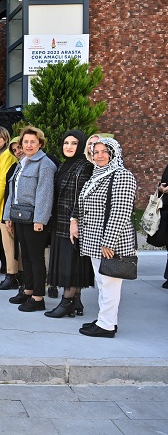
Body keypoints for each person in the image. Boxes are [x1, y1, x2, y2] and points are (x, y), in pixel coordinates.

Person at [72, 138, 136, 337]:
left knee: (109, 285)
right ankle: (106, 320)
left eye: (104, 151)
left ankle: (106, 326)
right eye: (96, 151)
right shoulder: (97, 175)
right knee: (103, 283)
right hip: (95, 241)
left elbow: (121, 211)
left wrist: (108, 241)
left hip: (110, 242)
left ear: (114, 153)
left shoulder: (122, 175)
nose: (99, 155)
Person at [3, 126, 56, 312]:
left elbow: (45, 194)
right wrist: (8, 215)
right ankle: (28, 290)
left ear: (40, 144)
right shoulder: (22, 162)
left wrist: (40, 220)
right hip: (19, 216)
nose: (28, 144)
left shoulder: (45, 164)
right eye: (25, 141)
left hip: (35, 219)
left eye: (33, 141)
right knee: (25, 256)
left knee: (36, 258)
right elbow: (12, 190)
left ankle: (38, 297)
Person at [45, 130, 94, 318]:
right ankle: (76, 301)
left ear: (81, 145)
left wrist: (76, 221)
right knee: (70, 262)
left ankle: (66, 302)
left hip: (73, 223)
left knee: (71, 264)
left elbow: (82, 198)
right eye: (66, 143)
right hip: (60, 220)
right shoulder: (64, 165)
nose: (69, 147)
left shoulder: (85, 166)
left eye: (74, 143)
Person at [0, 128, 19, 289]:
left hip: (3, 207)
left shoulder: (7, 156)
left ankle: (11, 275)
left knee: (9, 245)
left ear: (6, 139)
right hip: (2, 207)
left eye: (0, 137)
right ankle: (14, 274)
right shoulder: (1, 156)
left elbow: (2, 182)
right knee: (9, 244)